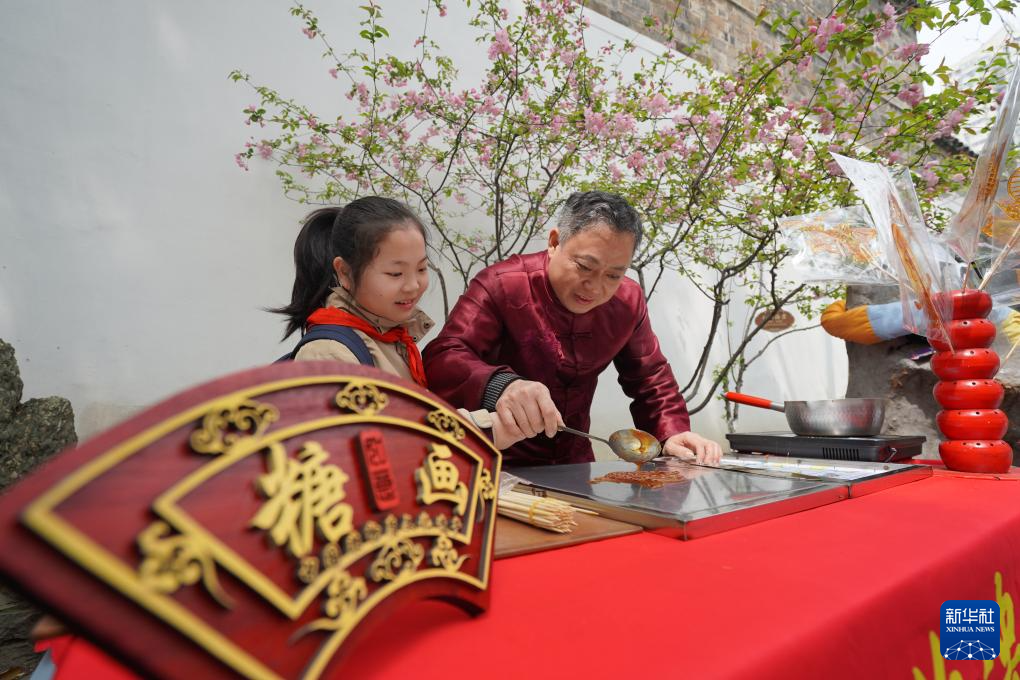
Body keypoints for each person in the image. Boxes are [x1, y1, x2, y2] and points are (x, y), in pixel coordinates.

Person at [422, 191, 722, 466]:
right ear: (554, 243)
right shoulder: (503, 284)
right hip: (495, 460)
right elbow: (444, 355)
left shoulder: (627, 301)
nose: (595, 287)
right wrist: (502, 385)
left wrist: (672, 432)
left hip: (575, 463)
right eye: (584, 267)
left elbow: (650, 378)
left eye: (614, 275)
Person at [272, 196, 522, 449]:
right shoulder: (328, 354)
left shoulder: (392, 339)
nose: (413, 285)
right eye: (395, 274)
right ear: (345, 272)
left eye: (421, 269)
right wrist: (486, 429)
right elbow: (372, 451)